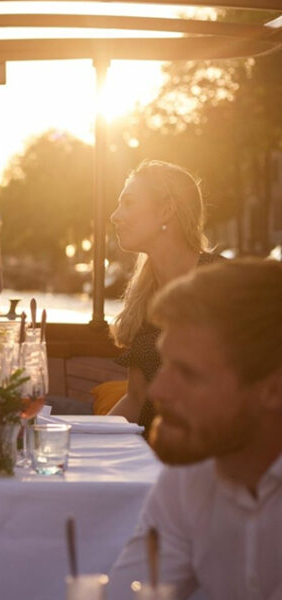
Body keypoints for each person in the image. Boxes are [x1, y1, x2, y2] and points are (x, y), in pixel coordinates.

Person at [108, 259, 282, 600]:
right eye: (165, 363)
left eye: (188, 373)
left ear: (272, 392)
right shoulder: (186, 479)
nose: (158, 393)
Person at [107, 160, 216, 435]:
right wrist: (78, 441)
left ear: (166, 210)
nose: (114, 216)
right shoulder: (145, 294)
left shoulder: (220, 283)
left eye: (128, 203)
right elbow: (136, 399)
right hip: (148, 453)